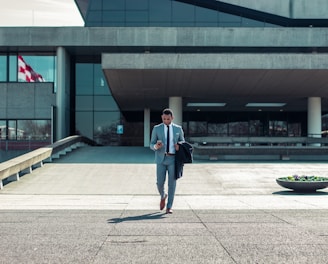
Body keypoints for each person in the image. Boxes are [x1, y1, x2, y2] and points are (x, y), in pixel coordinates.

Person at [150, 108, 185, 214]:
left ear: (172, 118)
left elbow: (183, 141)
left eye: (168, 119)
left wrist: (179, 145)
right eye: (164, 119)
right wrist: (156, 146)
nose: (166, 121)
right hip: (161, 158)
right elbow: (151, 144)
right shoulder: (157, 128)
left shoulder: (178, 129)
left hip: (173, 159)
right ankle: (163, 195)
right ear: (162, 117)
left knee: (172, 183)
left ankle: (169, 206)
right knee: (159, 183)